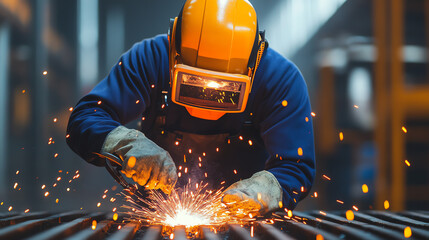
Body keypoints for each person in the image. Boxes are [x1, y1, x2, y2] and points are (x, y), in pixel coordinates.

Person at [66, 0, 315, 216]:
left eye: (226, 90)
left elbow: (297, 166)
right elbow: (86, 117)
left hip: (246, 225)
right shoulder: (151, 59)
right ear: (174, 50)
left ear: (253, 64)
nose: (208, 98)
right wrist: (125, 144)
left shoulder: (279, 79)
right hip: (154, 217)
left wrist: (265, 189)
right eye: (193, 84)